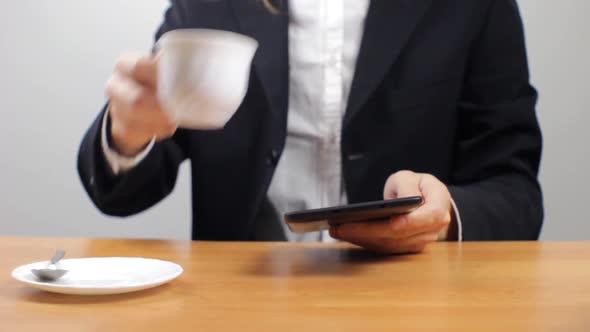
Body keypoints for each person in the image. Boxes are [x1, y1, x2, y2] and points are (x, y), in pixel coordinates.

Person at [78, 0, 543, 254]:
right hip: (239, 305)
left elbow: (515, 191)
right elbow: (123, 192)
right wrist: (127, 134)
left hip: (411, 298)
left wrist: (446, 214)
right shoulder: (207, 4)